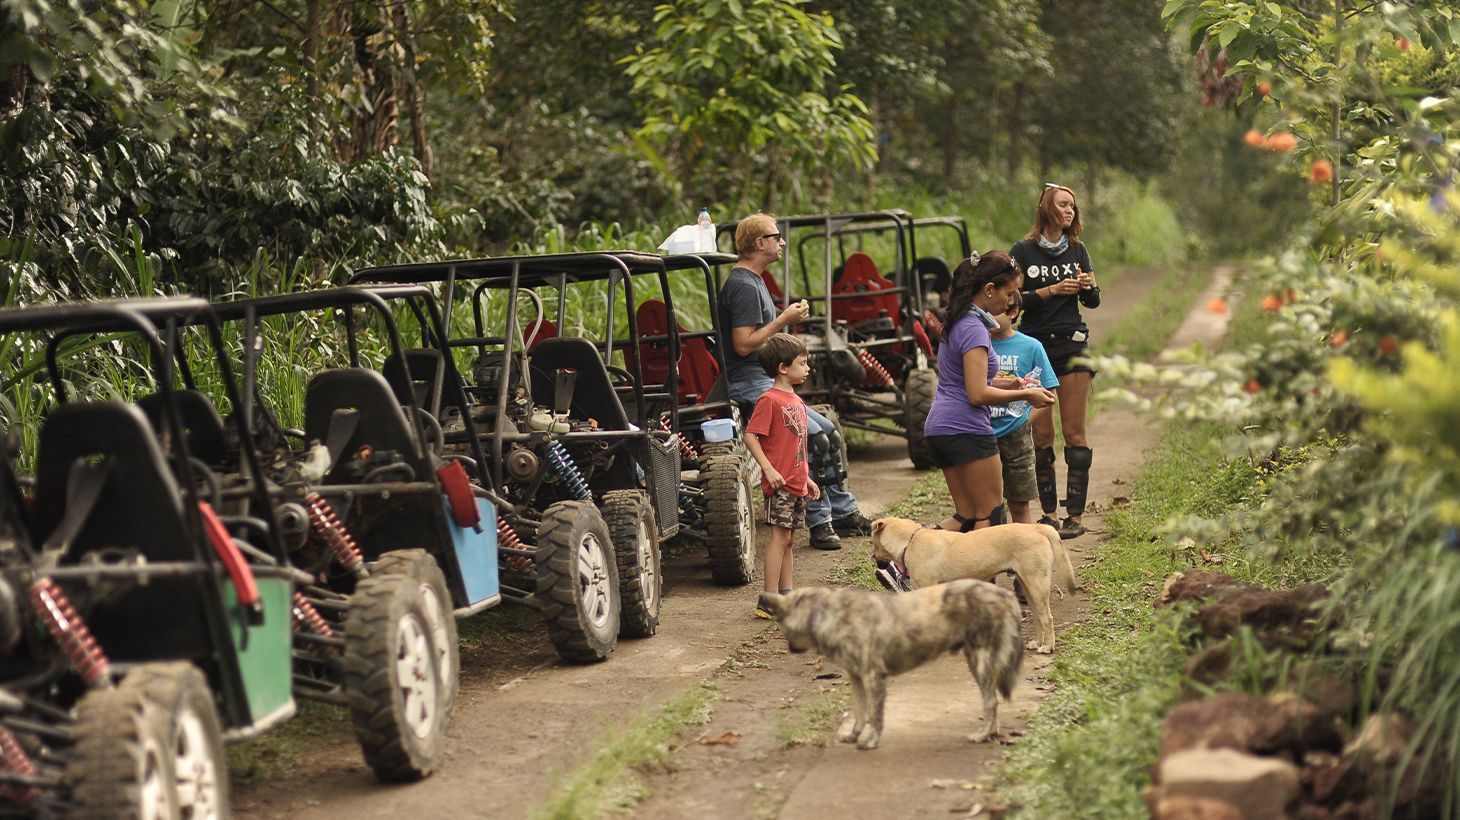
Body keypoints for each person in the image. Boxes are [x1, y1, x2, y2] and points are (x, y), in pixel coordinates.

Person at [718, 211, 872, 550]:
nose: (782, 242)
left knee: (828, 433)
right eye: (776, 237)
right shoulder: (743, 285)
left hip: (765, 377)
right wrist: (784, 318)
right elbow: (744, 344)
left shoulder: (755, 281)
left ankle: (843, 513)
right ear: (760, 243)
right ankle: (820, 523)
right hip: (749, 382)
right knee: (813, 436)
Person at [923, 251, 1056, 531]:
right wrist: (1026, 395)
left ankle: (905, 563)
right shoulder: (975, 328)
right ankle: (981, 576)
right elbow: (977, 394)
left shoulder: (958, 321)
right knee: (991, 515)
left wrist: (1013, 383)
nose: (1012, 301)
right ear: (989, 290)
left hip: (941, 428)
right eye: (1010, 293)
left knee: (967, 516)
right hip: (966, 428)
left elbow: (965, 380)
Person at [1010, 183, 1100, 540]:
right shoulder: (1023, 251)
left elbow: (1093, 301)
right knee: (1041, 434)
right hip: (1034, 349)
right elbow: (1010, 300)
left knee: (1075, 433)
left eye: (1073, 207)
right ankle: (1048, 515)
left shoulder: (1078, 250)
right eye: (1063, 205)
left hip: (1072, 344)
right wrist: (1049, 292)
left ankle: (1075, 515)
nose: (1070, 211)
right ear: (1047, 207)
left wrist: (1088, 287)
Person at [744, 333, 820, 619]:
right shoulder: (769, 400)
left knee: (789, 539)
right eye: (803, 363)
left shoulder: (797, 402)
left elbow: (797, 447)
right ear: (783, 368)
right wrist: (768, 468)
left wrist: (807, 478)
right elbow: (751, 436)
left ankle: (787, 594)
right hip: (779, 484)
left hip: (796, 482)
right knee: (779, 538)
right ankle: (769, 598)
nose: (808, 368)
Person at [990, 292, 1060, 523]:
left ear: (1013, 312)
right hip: (982, 433)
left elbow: (1050, 392)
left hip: (1017, 436)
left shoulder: (1031, 347)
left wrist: (1024, 421)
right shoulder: (978, 345)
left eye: (995, 312)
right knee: (989, 506)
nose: (988, 318)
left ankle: (1024, 553)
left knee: (1020, 503)